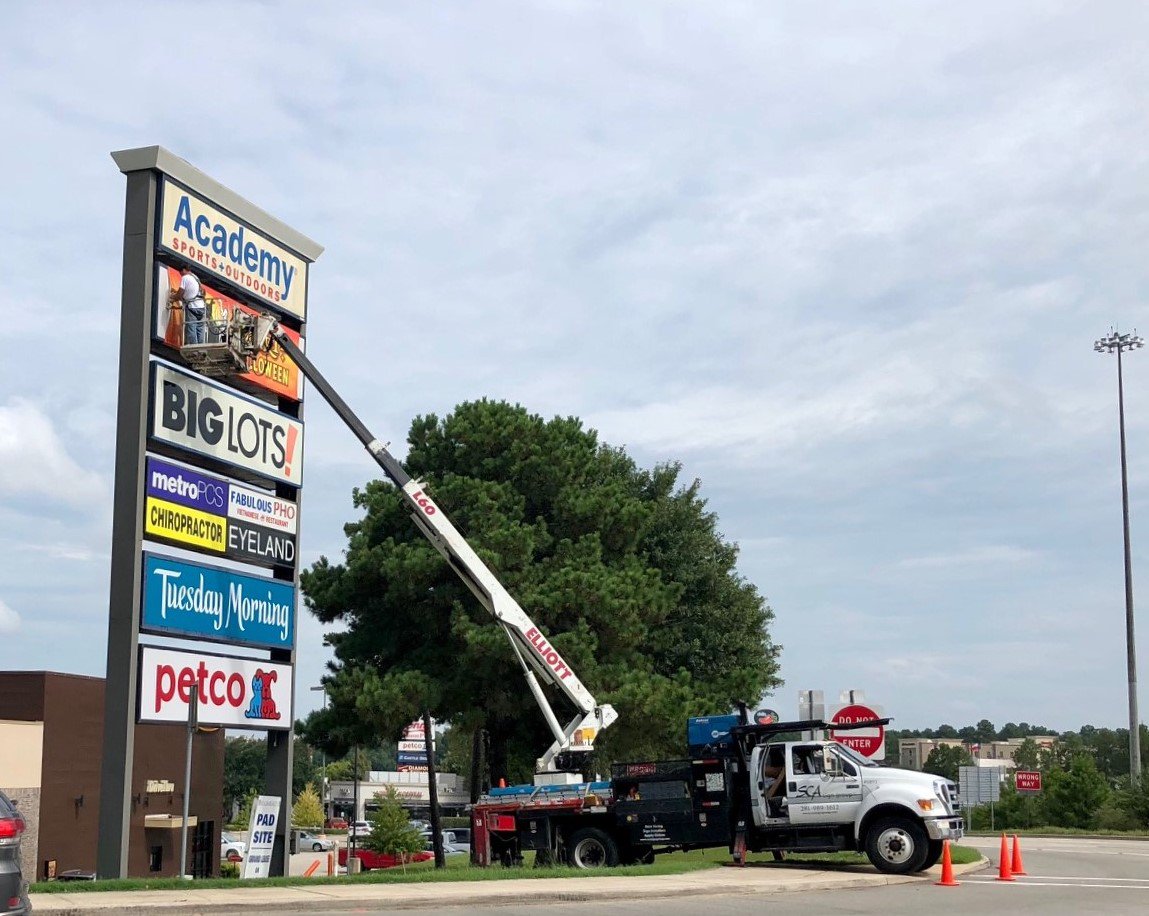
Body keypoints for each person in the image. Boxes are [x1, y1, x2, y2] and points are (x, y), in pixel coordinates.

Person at [170, 265, 206, 344]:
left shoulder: (185, 277)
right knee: (199, 329)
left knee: (191, 327)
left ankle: (194, 348)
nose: (181, 274)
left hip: (192, 307)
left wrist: (172, 298)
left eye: (181, 272)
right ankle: (201, 348)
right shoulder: (196, 278)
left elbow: (180, 293)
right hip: (201, 307)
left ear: (184, 270)